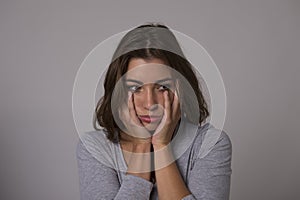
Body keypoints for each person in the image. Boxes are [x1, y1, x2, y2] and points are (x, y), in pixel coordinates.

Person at [76, 23, 232, 200]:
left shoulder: (210, 144)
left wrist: (161, 146)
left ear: (180, 89)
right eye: (135, 87)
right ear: (118, 90)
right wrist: (142, 145)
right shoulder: (94, 148)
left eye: (162, 87)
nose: (150, 103)